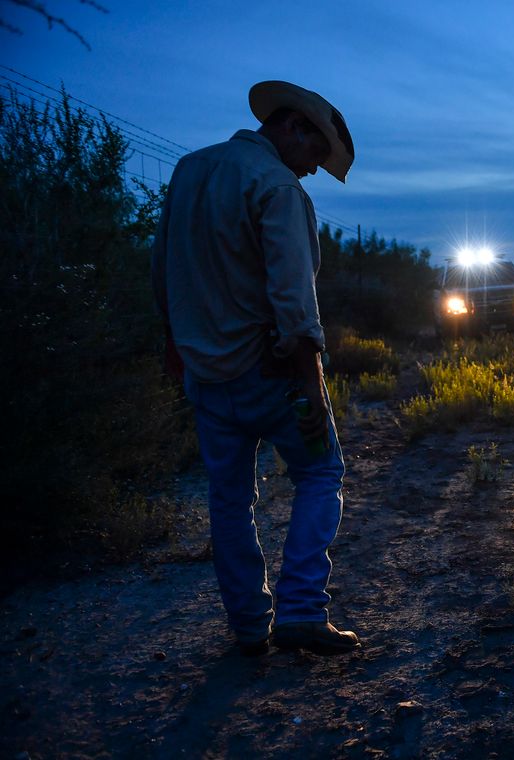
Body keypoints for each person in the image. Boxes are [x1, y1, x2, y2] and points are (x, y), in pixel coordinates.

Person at [151, 81, 361, 655]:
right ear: (294, 127)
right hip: (272, 371)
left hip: (206, 373)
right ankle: (299, 611)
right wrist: (314, 392)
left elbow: (162, 267)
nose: (315, 170)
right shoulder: (277, 186)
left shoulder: (190, 170)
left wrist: (179, 343)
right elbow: (295, 307)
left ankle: (247, 625)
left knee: (228, 496)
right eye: (316, 155)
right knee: (320, 473)